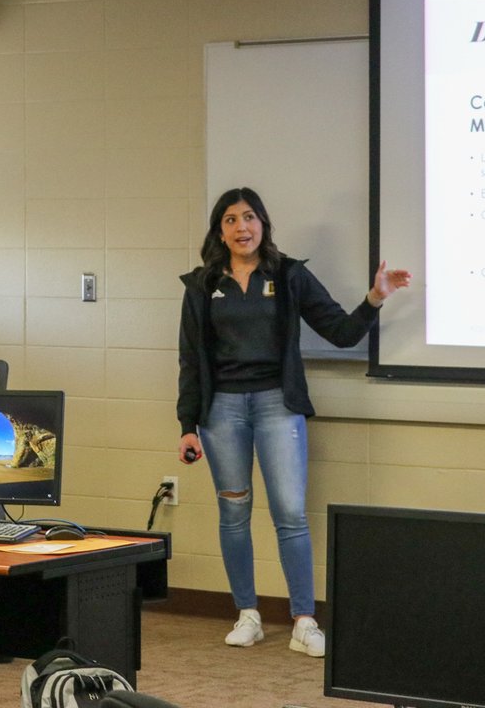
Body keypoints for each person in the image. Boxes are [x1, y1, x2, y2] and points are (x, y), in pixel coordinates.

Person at [176, 187, 410, 658]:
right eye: (229, 220)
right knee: (234, 514)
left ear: (263, 223)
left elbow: (342, 333)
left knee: (290, 514)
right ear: (218, 230)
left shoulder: (288, 275)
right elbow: (189, 360)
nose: (241, 228)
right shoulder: (202, 285)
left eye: (249, 217)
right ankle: (248, 614)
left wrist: (374, 298)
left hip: (277, 406)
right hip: (220, 412)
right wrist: (187, 423)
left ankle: (305, 620)